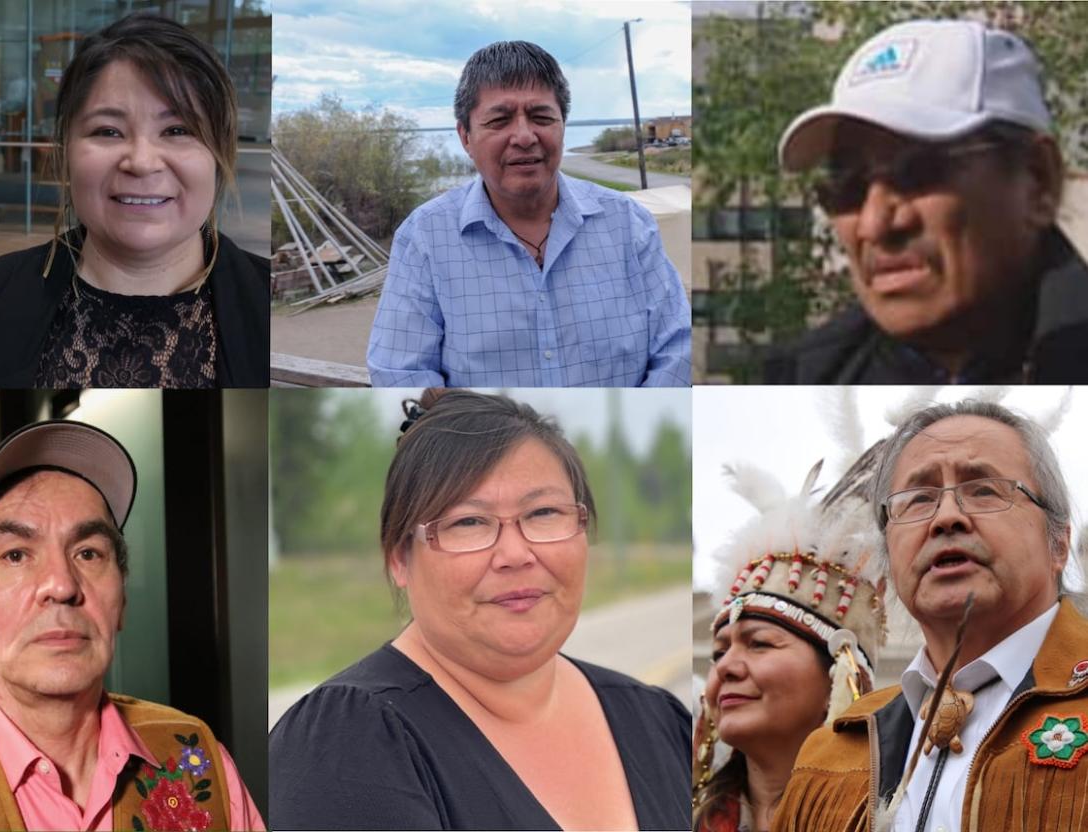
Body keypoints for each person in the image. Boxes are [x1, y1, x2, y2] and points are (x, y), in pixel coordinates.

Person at [269, 389, 692, 830]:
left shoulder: (657, 719)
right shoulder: (350, 743)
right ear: (399, 558)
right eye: (468, 522)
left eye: (544, 512)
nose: (516, 553)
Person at [0, 420, 263, 830]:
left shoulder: (197, 760)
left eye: (88, 553)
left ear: (121, 600)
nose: (62, 585)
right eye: (16, 555)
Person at [773, 400, 1088, 832]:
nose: (947, 518)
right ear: (887, 552)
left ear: (1059, 543)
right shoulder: (828, 756)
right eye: (918, 499)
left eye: (984, 490)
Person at [0, 13, 268, 388]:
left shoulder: (266, 298)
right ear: (66, 149)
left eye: (178, 130)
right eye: (108, 130)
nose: (141, 161)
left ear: (219, 154)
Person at [765, 19, 1088, 384]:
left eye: (919, 171)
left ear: (1038, 181)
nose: (875, 224)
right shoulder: (807, 385)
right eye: (848, 187)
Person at [366, 41, 692, 388]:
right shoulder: (425, 238)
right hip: (486, 444)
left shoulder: (629, 224)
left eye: (541, 117)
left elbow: (679, 348)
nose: (524, 136)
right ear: (465, 136)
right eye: (499, 120)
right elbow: (401, 374)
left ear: (562, 126)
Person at [694, 446, 887, 832]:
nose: (726, 668)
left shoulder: (905, 816)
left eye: (759, 643)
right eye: (718, 652)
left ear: (840, 674)